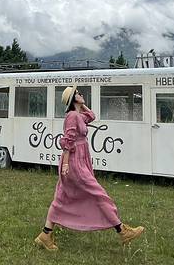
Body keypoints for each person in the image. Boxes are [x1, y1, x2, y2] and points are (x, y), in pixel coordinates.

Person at [34, 85, 145, 251]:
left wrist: (80, 104)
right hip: (74, 162)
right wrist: (66, 164)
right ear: (73, 99)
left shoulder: (77, 115)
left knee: (61, 198)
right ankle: (122, 231)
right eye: (78, 93)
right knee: (99, 194)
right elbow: (67, 141)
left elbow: (92, 116)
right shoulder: (72, 116)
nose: (81, 94)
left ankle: (45, 235)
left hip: (79, 159)